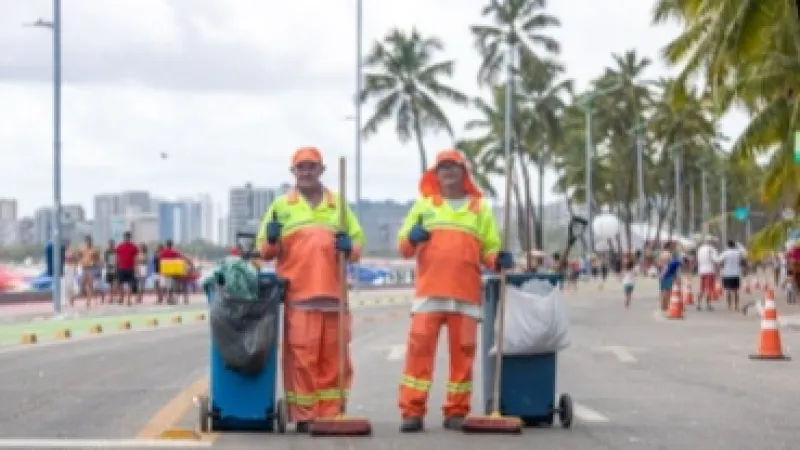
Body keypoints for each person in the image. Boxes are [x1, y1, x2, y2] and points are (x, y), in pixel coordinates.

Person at [395, 148, 513, 433]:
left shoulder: (479, 208)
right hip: (429, 294)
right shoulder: (424, 206)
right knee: (419, 353)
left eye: (453, 166)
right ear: (436, 174)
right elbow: (404, 248)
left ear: (464, 173)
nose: (448, 171)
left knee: (463, 355)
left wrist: (498, 259)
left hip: (466, 295)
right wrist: (412, 238)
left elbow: (489, 249)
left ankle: (457, 411)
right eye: (443, 167)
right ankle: (412, 411)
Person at [256, 146, 365, 433]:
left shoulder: (338, 205)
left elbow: (357, 245)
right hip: (299, 296)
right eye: (301, 167)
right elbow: (265, 252)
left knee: (334, 358)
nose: (306, 172)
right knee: (301, 359)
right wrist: (271, 239)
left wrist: (349, 247)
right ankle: (305, 415)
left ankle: (329, 412)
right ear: (293, 172)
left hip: (334, 296)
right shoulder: (281, 206)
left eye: (311, 166)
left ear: (321, 170)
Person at [718, 240, 744, 311]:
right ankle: (736, 306)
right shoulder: (738, 253)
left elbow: (719, 260)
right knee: (736, 291)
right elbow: (742, 259)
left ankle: (729, 306)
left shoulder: (725, 253)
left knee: (728, 290)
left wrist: (722, 266)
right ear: (734, 245)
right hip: (736, 273)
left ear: (728, 245)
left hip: (727, 273)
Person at [115, 232, 139, 306]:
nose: (127, 238)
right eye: (126, 237)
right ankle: (121, 298)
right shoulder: (119, 246)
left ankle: (128, 300)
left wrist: (136, 267)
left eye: (128, 237)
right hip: (121, 268)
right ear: (124, 238)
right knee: (120, 284)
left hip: (130, 268)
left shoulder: (134, 247)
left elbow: (136, 258)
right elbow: (117, 257)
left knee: (130, 284)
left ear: (129, 238)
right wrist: (116, 266)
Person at [77, 235, 101, 308]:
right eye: (87, 241)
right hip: (84, 268)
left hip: (92, 268)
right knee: (83, 284)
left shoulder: (94, 250)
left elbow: (98, 259)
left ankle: (88, 301)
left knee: (90, 284)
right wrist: (80, 261)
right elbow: (78, 256)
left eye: (89, 241)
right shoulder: (82, 248)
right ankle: (93, 296)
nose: (88, 242)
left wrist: (95, 263)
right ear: (85, 241)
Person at [695, 236, 719, 311]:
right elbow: (716, 260)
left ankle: (698, 304)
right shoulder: (712, 249)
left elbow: (698, 260)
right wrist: (718, 269)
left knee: (702, 288)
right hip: (710, 271)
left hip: (702, 271)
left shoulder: (700, 249)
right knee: (709, 288)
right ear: (711, 241)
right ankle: (708, 304)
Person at [659, 242, 682, 312]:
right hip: (668, 273)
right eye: (672, 246)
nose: (673, 248)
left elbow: (659, 264)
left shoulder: (661, 254)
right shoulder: (669, 254)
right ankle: (666, 305)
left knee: (663, 290)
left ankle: (662, 305)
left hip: (662, 273)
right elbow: (672, 265)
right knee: (668, 290)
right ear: (669, 247)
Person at [102, 239, 117, 304]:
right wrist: (106, 268)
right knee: (110, 284)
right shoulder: (107, 252)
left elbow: (117, 260)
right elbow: (105, 261)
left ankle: (112, 297)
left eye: (112, 244)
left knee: (114, 283)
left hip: (115, 269)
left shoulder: (115, 251)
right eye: (110, 244)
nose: (111, 245)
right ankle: (111, 298)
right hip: (109, 269)